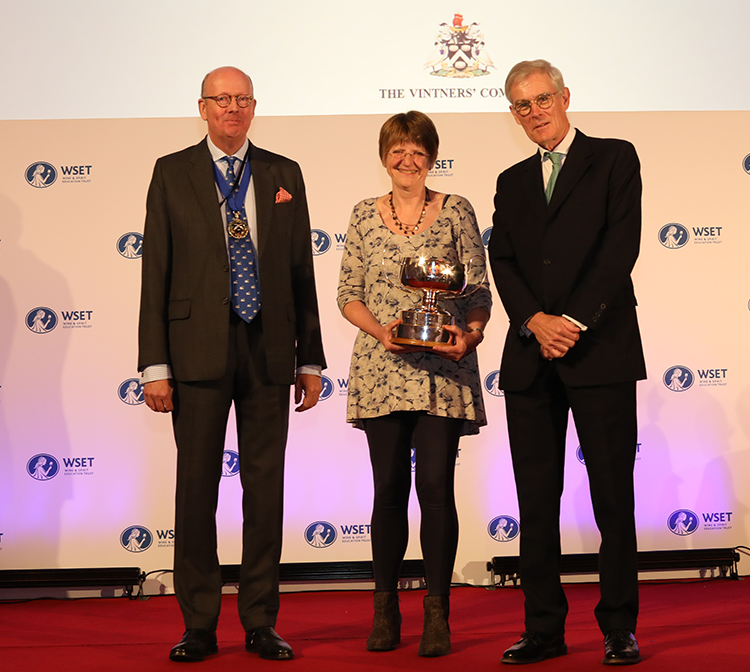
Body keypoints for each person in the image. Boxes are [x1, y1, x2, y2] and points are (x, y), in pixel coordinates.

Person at [138, 66, 326, 663]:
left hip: (269, 350)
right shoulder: (172, 172)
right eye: (222, 99)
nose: (233, 109)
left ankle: (260, 621)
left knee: (264, 490)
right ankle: (197, 623)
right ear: (201, 107)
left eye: (243, 99)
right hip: (194, 352)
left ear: (253, 107)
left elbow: (302, 271)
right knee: (195, 490)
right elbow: (155, 274)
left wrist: (312, 358)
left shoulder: (282, 172)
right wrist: (153, 365)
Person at [489, 60, 646, 666]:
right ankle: (543, 629)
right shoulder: (510, 180)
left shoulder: (614, 158)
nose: (534, 112)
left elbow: (620, 247)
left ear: (565, 96)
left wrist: (572, 322)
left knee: (612, 497)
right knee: (535, 501)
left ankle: (618, 628)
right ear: (513, 114)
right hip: (531, 358)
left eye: (542, 99)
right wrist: (534, 321)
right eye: (522, 105)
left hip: (600, 350)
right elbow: (503, 259)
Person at [337, 111, 491, 658]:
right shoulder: (362, 214)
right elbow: (347, 292)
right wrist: (381, 330)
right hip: (382, 369)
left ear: (432, 156)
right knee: (388, 493)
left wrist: (468, 336)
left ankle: (437, 616)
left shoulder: (457, 211)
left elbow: (478, 294)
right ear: (385, 156)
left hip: (443, 374)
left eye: (418, 150)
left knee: (435, 490)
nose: (408, 159)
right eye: (398, 150)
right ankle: (384, 612)